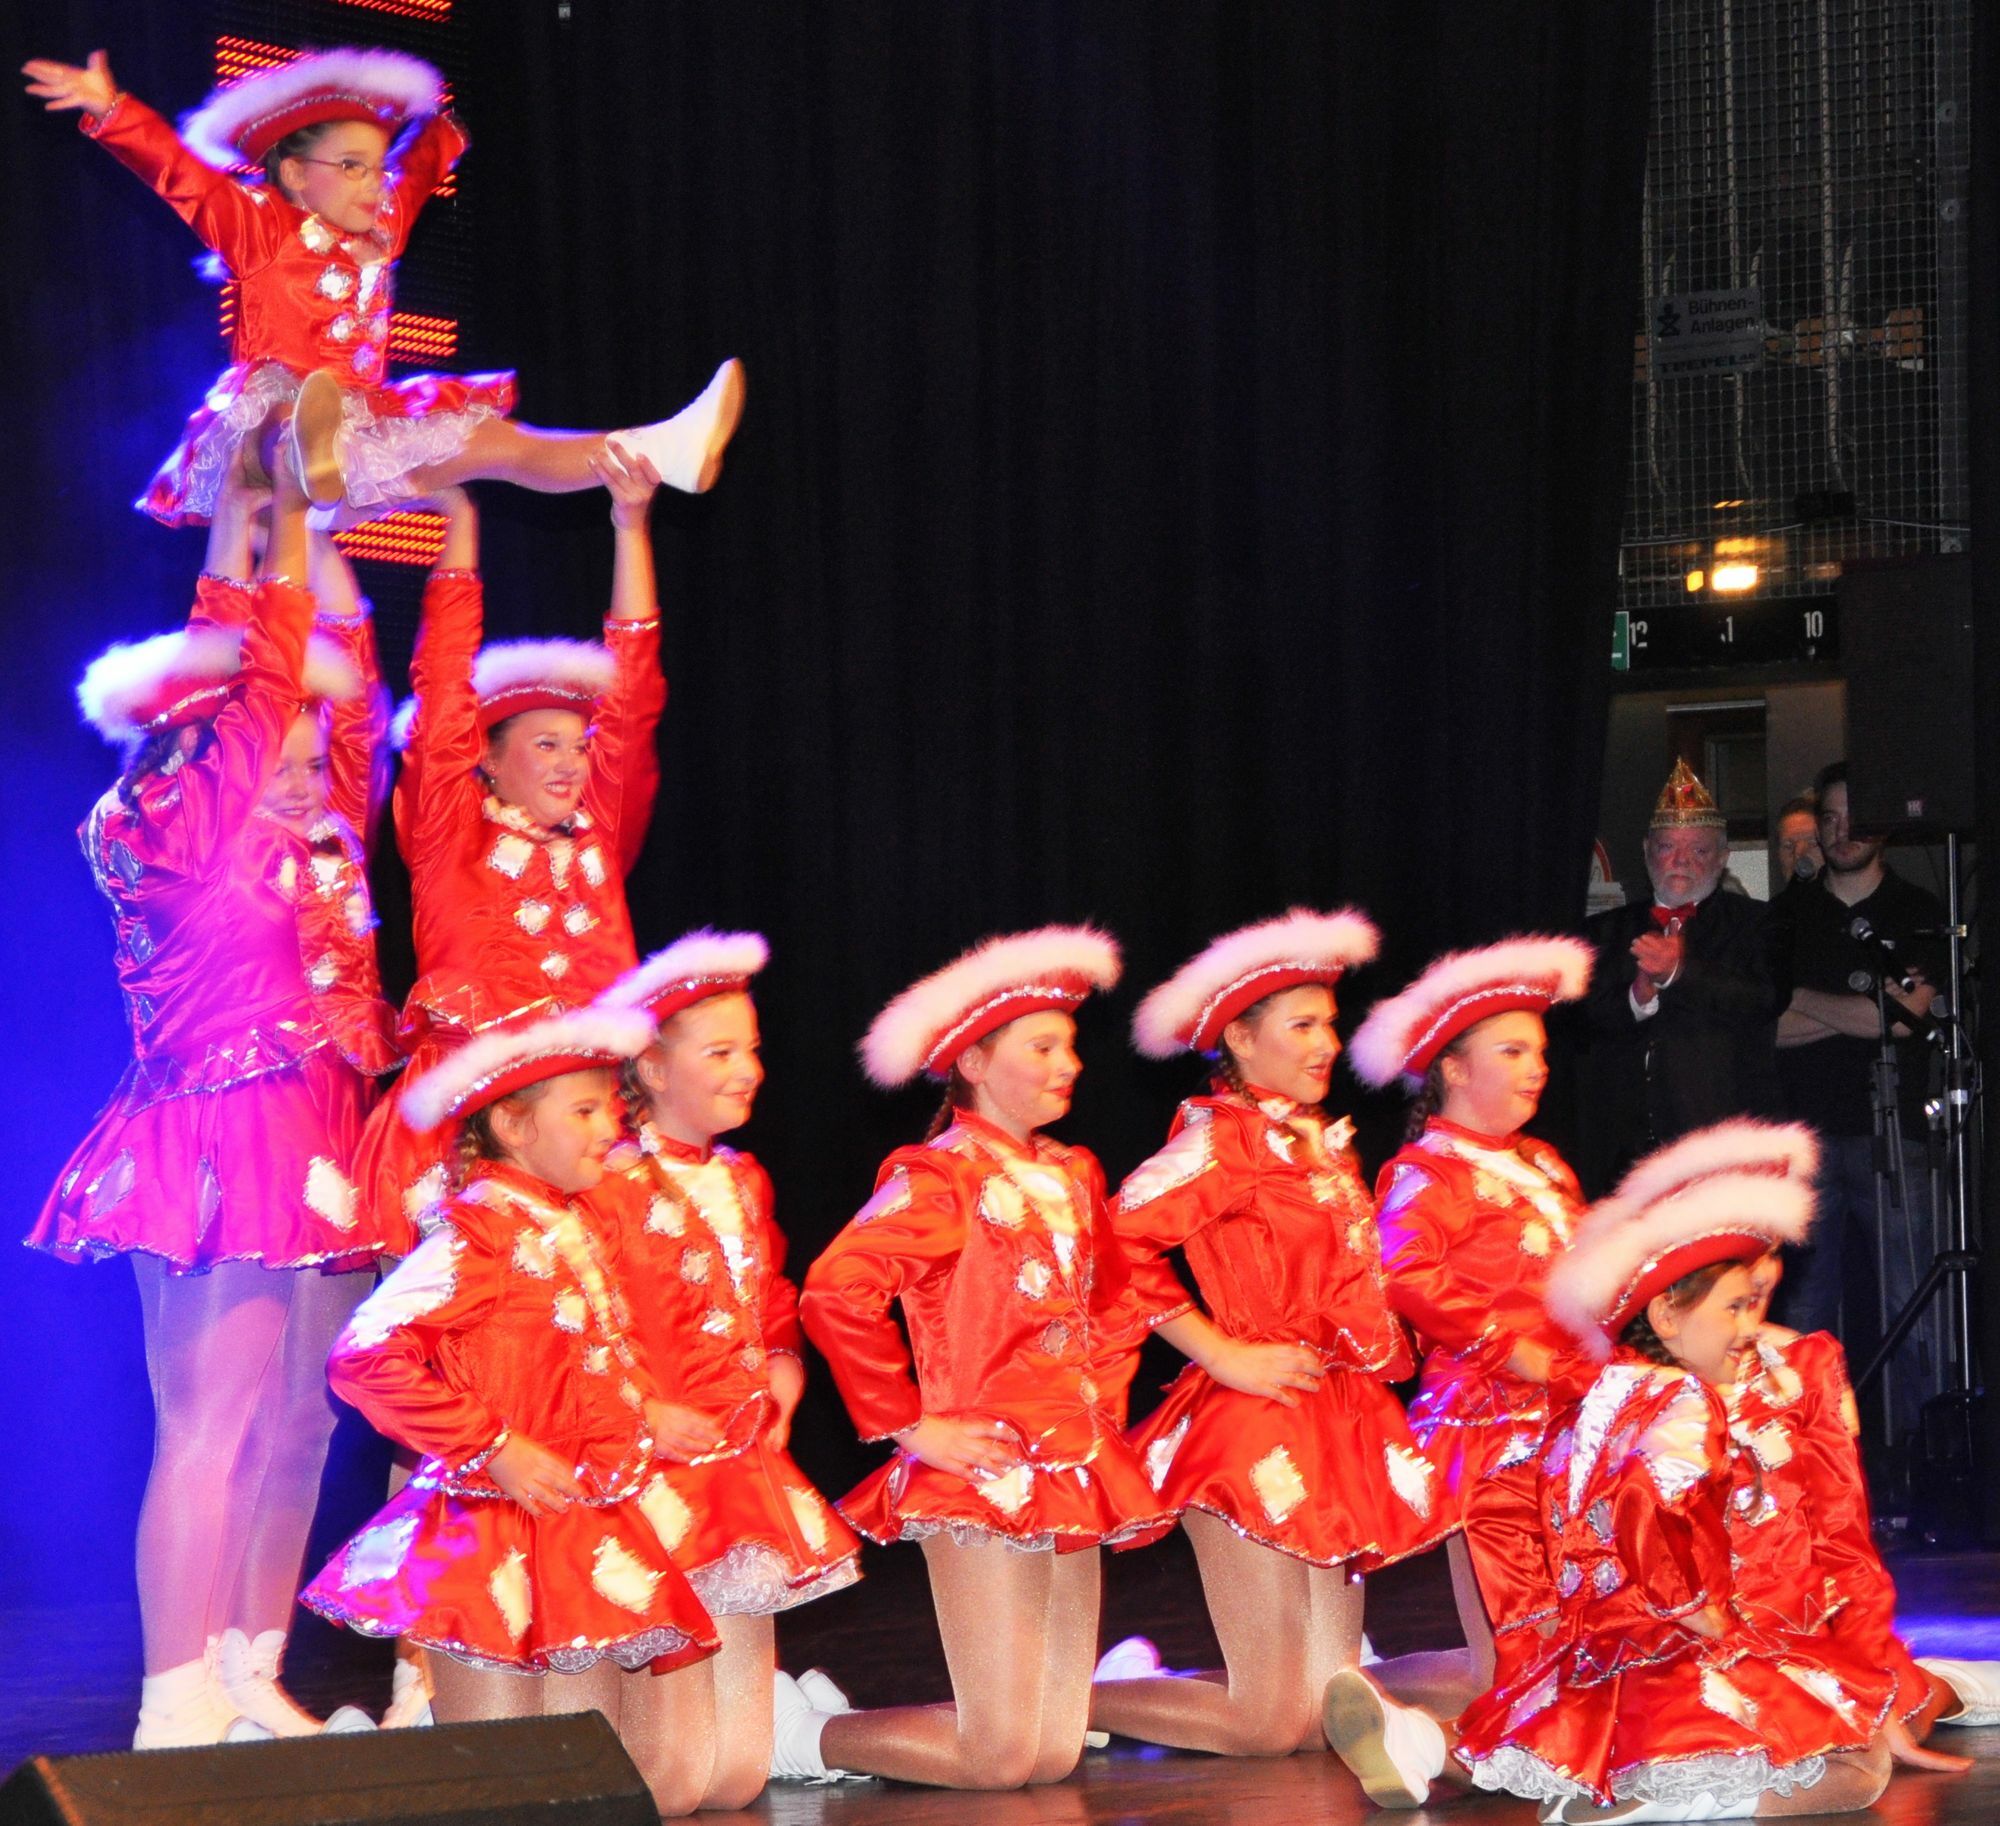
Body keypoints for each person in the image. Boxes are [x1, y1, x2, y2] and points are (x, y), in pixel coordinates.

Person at [30, 458, 399, 1746]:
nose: (299, 777)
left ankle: (248, 1667)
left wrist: (288, 520)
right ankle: (172, 1691)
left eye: (303, 759)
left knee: (299, 1417)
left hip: (319, 1133)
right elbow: (260, 662)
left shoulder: (304, 842)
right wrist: (272, 526)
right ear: (198, 744)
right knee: (212, 1421)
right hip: (218, 1130)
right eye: (274, 754)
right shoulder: (159, 826)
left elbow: (344, 705)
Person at [301, 1006, 732, 1817]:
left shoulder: (573, 1224)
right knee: (511, 1794)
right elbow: (363, 1356)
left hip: (584, 1525)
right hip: (491, 1535)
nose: (611, 1126)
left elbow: (574, 1364)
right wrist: (492, 1445)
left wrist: (645, 1412)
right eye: (585, 1110)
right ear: (511, 1124)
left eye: (610, 1107)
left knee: (603, 1786)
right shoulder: (480, 1236)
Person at [22, 47, 743, 525]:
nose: (374, 182)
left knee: (501, 442)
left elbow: (424, 162)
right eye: (351, 167)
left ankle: (663, 449)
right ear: (295, 174)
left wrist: (456, 121)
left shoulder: (385, 224)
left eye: (375, 166)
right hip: (266, 439)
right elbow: (182, 177)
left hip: (363, 429)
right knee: (289, 413)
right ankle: (307, 458)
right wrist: (112, 109)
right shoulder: (258, 225)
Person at [788, 927, 1172, 1788]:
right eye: (1043, 1046)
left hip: (1072, 1461)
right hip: (984, 1466)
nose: (1069, 1063)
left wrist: (1099, 1409)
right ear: (972, 1061)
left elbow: (1115, 1303)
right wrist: (911, 1424)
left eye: (1070, 1045)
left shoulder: (1073, 1173)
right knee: (999, 1758)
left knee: (1052, 1752)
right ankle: (805, 1736)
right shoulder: (943, 1177)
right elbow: (835, 1290)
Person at [1429, 1120, 1899, 1822]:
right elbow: (1641, 1501)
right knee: (1859, 1767)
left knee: (1537, 1742)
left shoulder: (1613, 1390)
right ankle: (1674, 1806)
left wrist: (1564, 1619)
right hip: (1685, 1652)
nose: (1749, 1321)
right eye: (1734, 1305)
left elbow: (1512, 1494)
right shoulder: (1684, 1401)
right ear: (1668, 1317)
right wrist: (1689, 1605)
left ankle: (1428, 1749)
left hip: (1607, 1655)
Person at [1087, 909, 1453, 1760]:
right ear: (1241, 1041)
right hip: (1252, 1424)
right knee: (1268, 1725)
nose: (1328, 1043)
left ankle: (1134, 1682)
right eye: (1303, 1026)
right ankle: (1076, 1696)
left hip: (1333, 1414)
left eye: (1329, 1023)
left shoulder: (1316, 1144)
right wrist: (1221, 1351)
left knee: (1326, 1715)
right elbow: (1111, 1241)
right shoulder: (1223, 1139)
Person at [352, 461, 667, 1250]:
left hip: (586, 1130)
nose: (572, 763)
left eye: (578, 746)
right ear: (486, 759)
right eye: (545, 745)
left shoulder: (598, 835)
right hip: (462, 1133)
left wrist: (629, 525)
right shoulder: (450, 835)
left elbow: (633, 700)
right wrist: (459, 525)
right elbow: (443, 693)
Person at [596, 929, 861, 1810]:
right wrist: (641, 1410)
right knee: (672, 1780)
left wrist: (784, 1367)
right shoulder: (606, 1185)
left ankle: (786, 1731)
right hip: (650, 1478)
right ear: (651, 1069)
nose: (749, 1069)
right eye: (719, 1053)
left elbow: (772, 1298)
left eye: (752, 1049)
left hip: (739, 1472)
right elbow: (577, 1324)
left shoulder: (744, 1181)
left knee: (738, 1778)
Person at [1340, 935, 1594, 1744]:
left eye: (1541, 1052)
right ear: (1451, 1068)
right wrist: (1505, 1348)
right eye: (1512, 1051)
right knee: (1523, 1642)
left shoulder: (1546, 1164)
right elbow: (1405, 1273)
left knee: (1573, 1627)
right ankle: (1376, 1707)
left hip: (1569, 1410)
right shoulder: (1428, 1170)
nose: (1537, 1067)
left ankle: (1360, 1687)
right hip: (1489, 1421)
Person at [1730, 1250, 1996, 1756]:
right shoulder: (1623, 1381)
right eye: (1737, 1256)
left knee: (1870, 1728)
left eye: (1770, 1252)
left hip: (1798, 1629)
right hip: (1692, 1637)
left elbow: (1843, 1537)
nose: (1760, 1275)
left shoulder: (1801, 1365)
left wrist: (1868, 1670)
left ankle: (1949, 1685)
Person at [1773, 762, 1946, 1443]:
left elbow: (1908, 1018)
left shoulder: (1918, 910)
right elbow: (1767, 1025)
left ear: (1884, 828)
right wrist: (1871, 1011)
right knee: (1802, 1310)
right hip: (1802, 1139)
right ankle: (1802, 1462)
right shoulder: (1787, 916)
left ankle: (1920, 1459)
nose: (1841, 832)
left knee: (1913, 1304)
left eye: (1855, 818)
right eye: (1830, 818)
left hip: (1895, 1138)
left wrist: (1801, 999)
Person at [1577, 760, 1785, 1194]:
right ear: (1646, 850)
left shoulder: (1757, 923)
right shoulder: (1605, 931)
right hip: (1624, 1156)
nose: (1681, 861)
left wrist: (1679, 972)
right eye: (1668, 847)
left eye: (1699, 851)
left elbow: (1763, 1000)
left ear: (1723, 858)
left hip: (1723, 1153)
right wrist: (1637, 997)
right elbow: (1579, 1023)